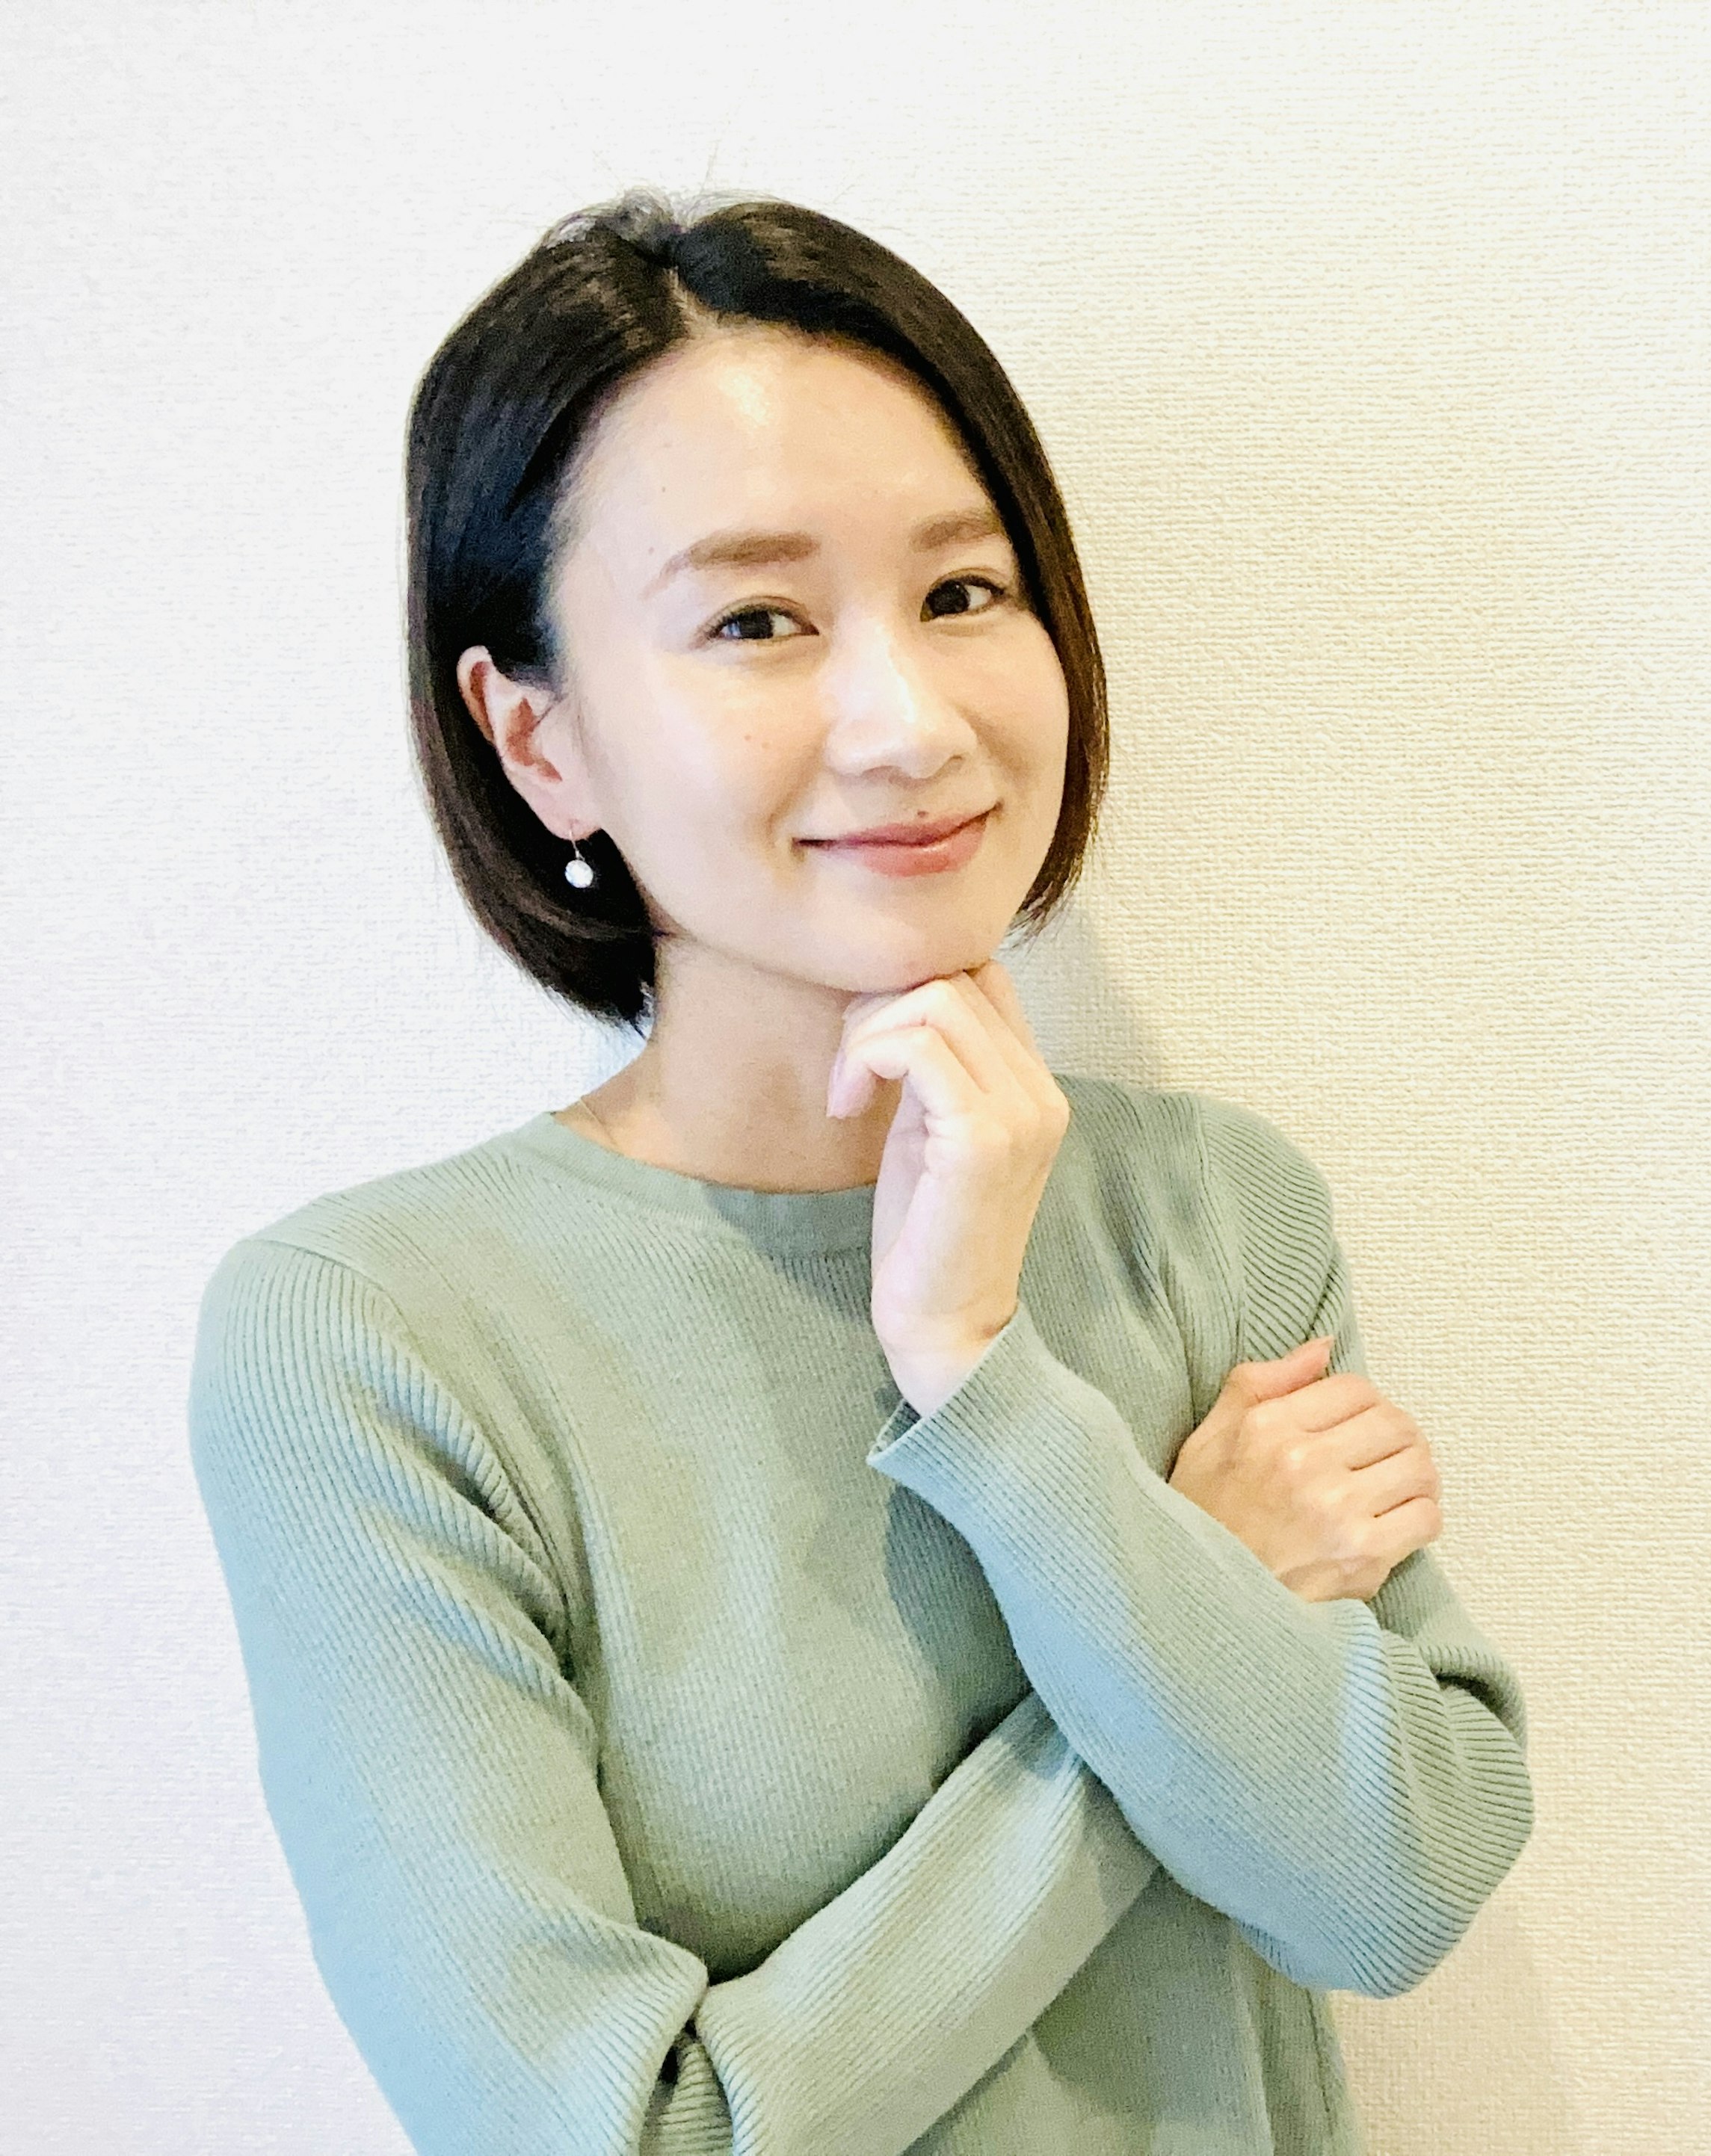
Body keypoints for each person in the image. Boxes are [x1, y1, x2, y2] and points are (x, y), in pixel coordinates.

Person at [184, 188, 1534, 2155]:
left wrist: (989, 1383)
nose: (911, 723)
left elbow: (1396, 1883)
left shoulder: (1212, 1212)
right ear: (538, 738)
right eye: (755, 620)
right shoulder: (369, 1343)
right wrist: (1189, 1599)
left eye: (965, 594)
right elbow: (635, 2137)